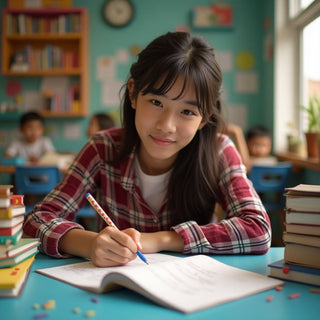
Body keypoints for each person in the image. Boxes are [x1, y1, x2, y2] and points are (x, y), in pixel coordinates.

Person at [23, 32, 271, 267]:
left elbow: (258, 230)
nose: (167, 126)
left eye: (187, 111)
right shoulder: (102, 148)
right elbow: (36, 220)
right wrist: (89, 244)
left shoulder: (219, 151)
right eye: (156, 102)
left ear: (204, 118)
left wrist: (159, 240)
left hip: (193, 295)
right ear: (133, 93)